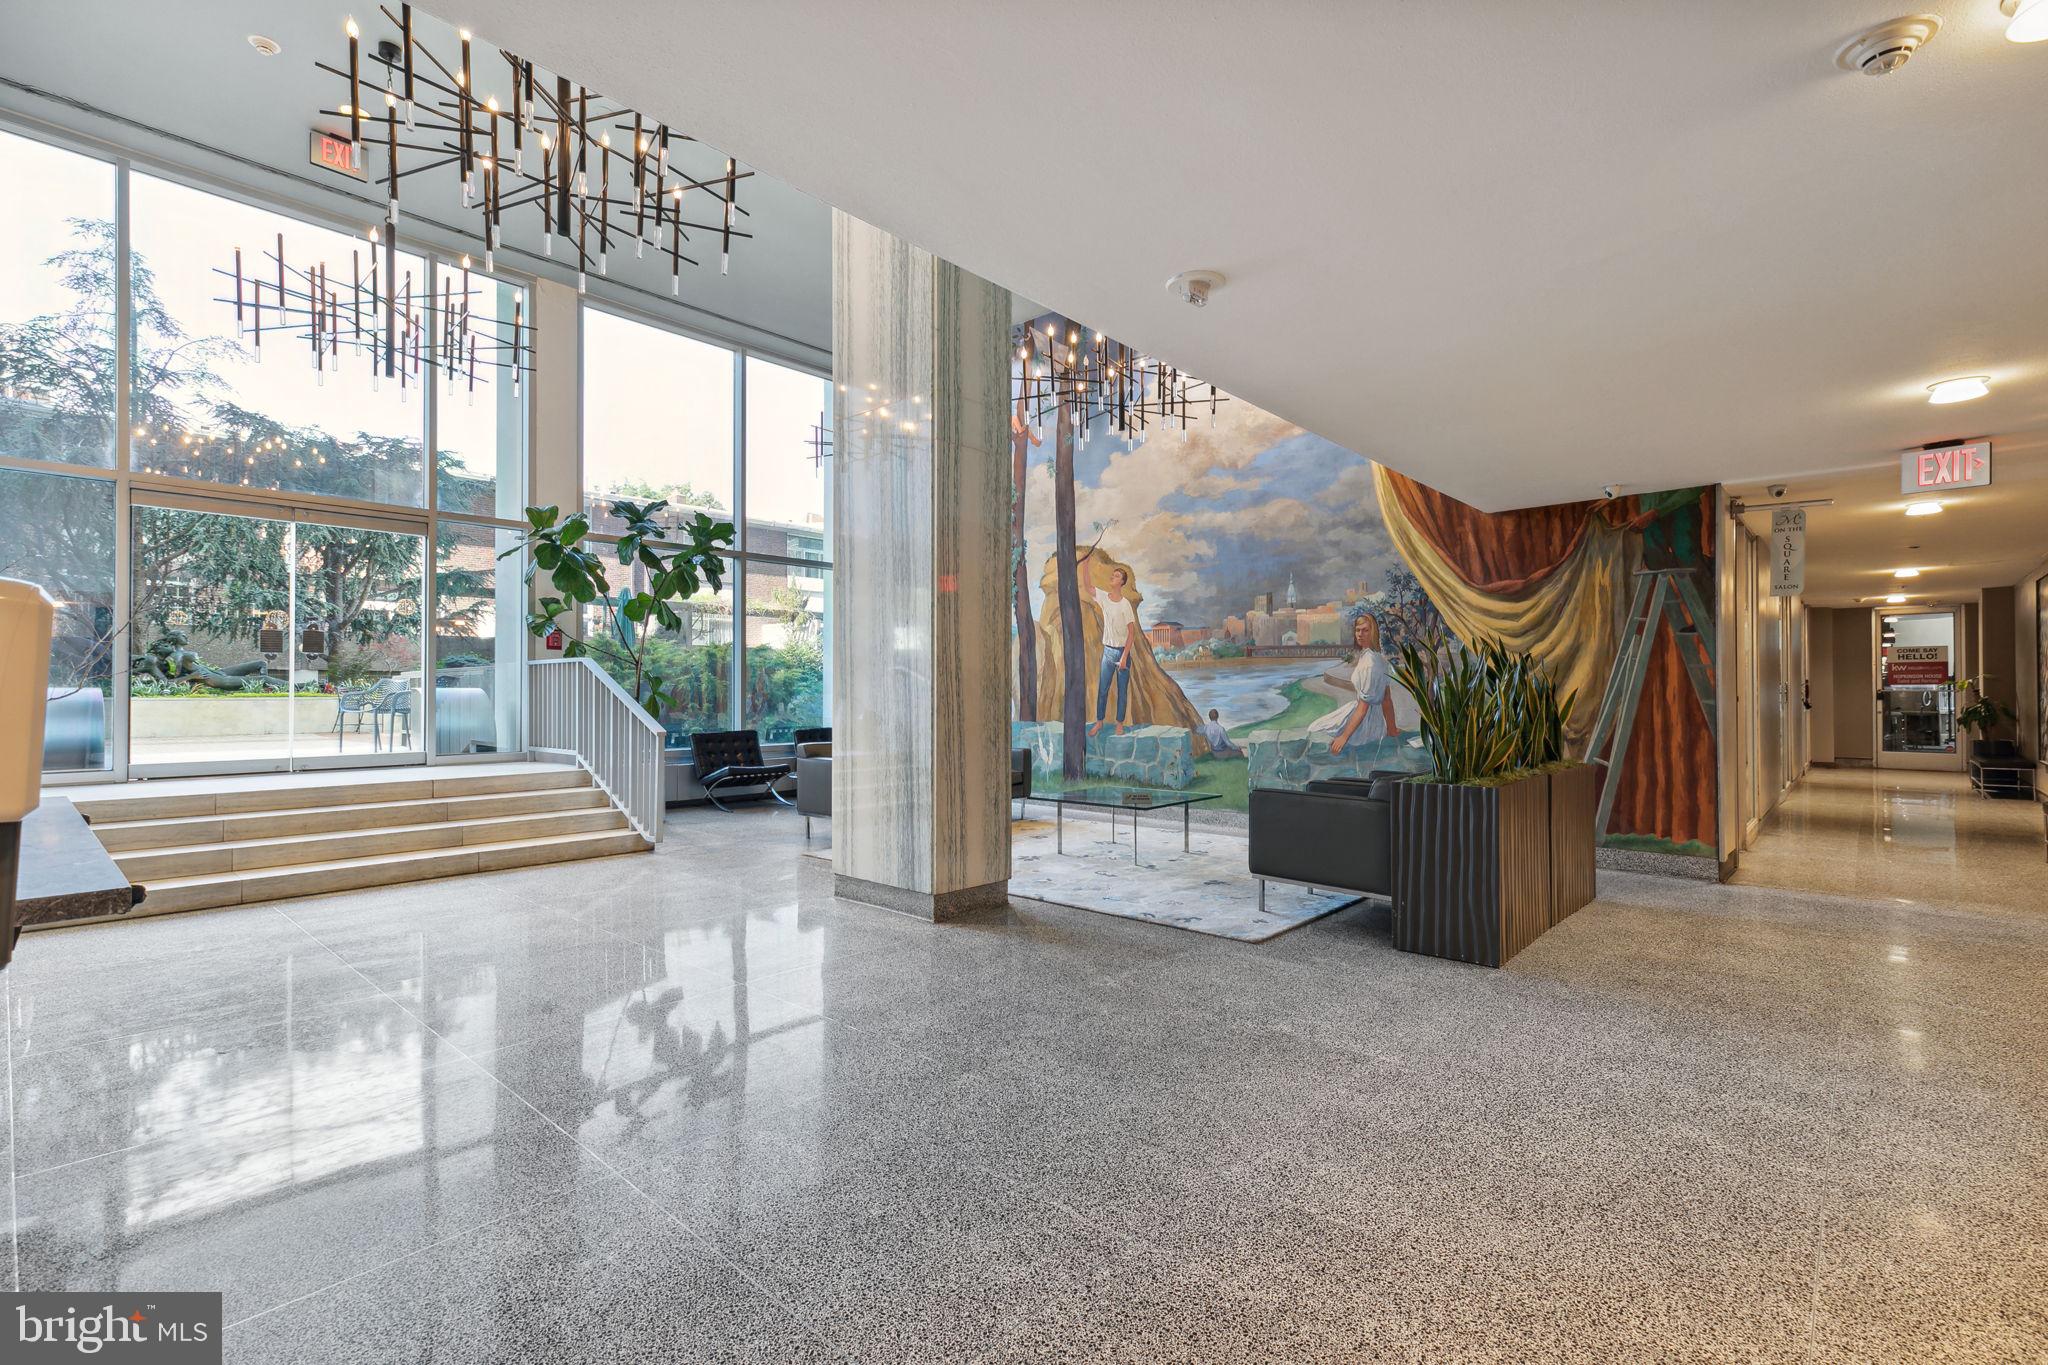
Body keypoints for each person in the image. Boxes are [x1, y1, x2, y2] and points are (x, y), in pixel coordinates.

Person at [1307, 613, 1401, 755]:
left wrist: (1344, 737)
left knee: (1314, 728)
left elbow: (1364, 707)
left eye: (1365, 630)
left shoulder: (1370, 663)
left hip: (1364, 723)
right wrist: (1392, 729)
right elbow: (1386, 699)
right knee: (1317, 726)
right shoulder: (1378, 659)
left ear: (1373, 632)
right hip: (1373, 721)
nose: (1360, 634)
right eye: (1357, 630)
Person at [1077, 551, 1141, 736]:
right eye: (1113, 575)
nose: (1113, 578)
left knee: (1122, 691)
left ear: (1122, 582)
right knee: (1103, 689)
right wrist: (1086, 565)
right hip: (1108, 652)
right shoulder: (1104, 597)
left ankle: (1119, 724)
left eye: (1117, 576)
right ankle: (1099, 722)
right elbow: (1088, 587)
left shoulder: (1125, 604)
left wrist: (1124, 657)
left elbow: (1131, 633)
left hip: (1123, 653)